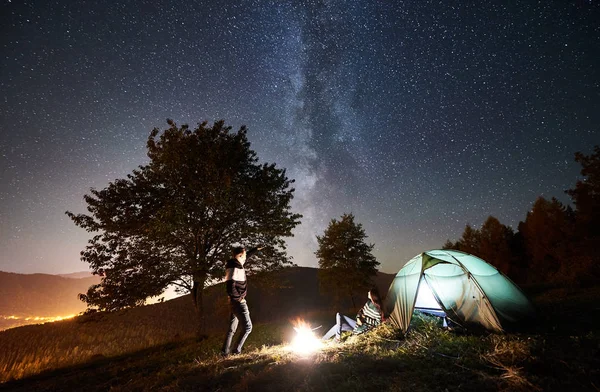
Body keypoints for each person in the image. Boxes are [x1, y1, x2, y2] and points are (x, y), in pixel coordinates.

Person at [221, 245, 263, 357]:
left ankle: (224, 353)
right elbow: (230, 286)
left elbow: (247, 256)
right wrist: (239, 299)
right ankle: (236, 352)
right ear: (239, 256)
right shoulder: (234, 266)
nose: (246, 257)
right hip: (238, 302)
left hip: (233, 301)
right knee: (248, 327)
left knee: (231, 329)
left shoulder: (237, 263)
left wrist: (255, 250)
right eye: (244, 255)